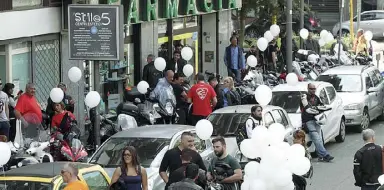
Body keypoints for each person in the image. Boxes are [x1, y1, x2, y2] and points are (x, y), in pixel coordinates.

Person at [300, 83, 334, 162]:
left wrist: (322, 108)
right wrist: (317, 108)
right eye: (311, 89)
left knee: (319, 139)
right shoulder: (304, 97)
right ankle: (325, 155)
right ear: (308, 88)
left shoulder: (316, 97)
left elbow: (322, 105)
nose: (313, 90)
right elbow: (307, 108)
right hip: (308, 121)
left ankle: (320, 156)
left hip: (317, 120)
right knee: (316, 138)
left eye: (314, 89)